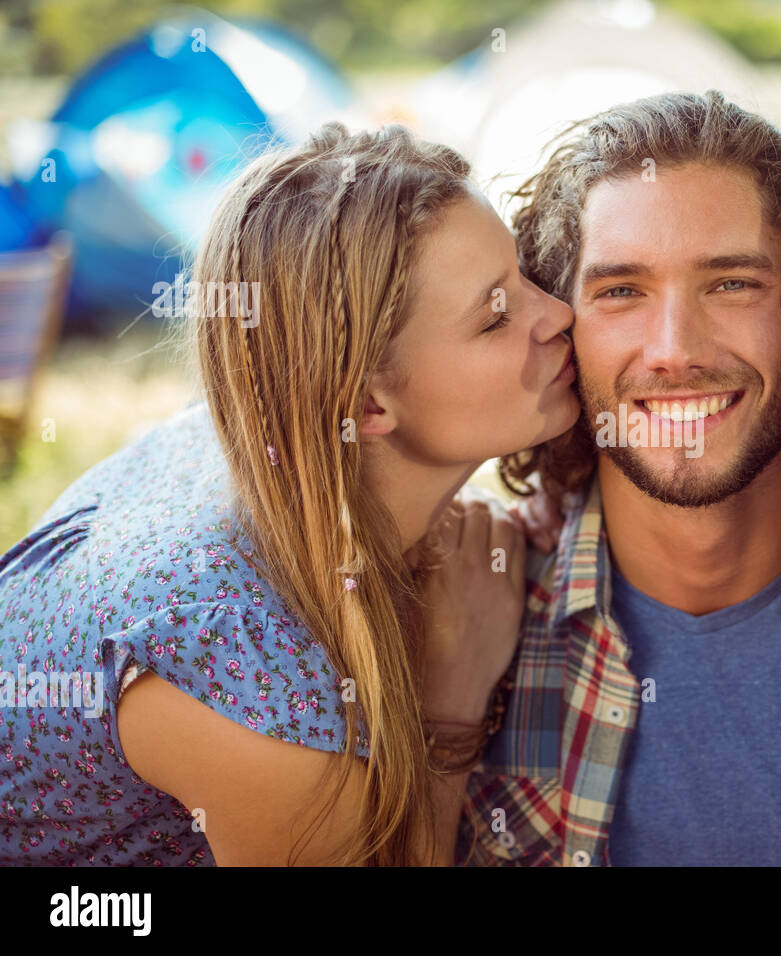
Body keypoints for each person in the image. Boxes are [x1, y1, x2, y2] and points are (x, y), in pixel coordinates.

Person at [0, 122, 580, 865]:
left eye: (525, 275)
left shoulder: (261, 436)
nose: (557, 314)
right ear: (368, 407)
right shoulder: (247, 666)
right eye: (495, 314)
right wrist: (455, 703)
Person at [459, 90, 781, 867]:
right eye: (621, 292)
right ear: (559, 326)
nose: (675, 350)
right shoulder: (464, 614)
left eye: (732, 283)